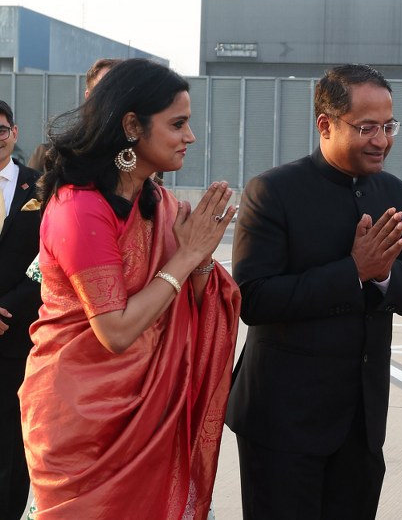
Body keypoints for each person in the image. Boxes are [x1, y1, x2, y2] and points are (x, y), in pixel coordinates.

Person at [18, 58, 240, 520]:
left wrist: (200, 258)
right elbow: (115, 332)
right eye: (177, 124)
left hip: (153, 415)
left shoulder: (159, 203)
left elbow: (200, 302)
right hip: (84, 422)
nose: (190, 136)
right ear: (132, 126)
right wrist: (187, 255)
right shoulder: (79, 208)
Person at [225, 63, 402, 519]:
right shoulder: (273, 191)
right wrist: (353, 272)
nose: (381, 140)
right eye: (367, 128)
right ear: (326, 125)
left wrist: (384, 275)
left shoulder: (397, 193)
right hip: (283, 423)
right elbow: (253, 298)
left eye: (389, 126)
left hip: (361, 425)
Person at [0, 100, 41, 520]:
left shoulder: (41, 188)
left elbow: (48, 259)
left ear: (14, 132)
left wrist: (9, 308)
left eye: (1, 130)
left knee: (13, 445)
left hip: (17, 335)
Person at [27, 58, 121, 172]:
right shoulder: (51, 155)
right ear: (88, 96)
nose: (111, 98)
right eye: (104, 89)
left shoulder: (136, 158)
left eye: (118, 91)